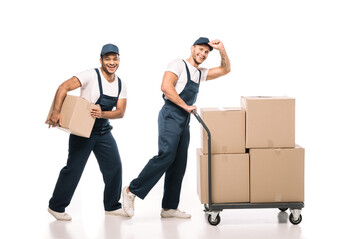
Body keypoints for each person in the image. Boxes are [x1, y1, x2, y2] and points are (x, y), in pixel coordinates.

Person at [122, 37, 231, 219]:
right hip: (171, 114)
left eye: (206, 52)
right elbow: (166, 87)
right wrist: (186, 106)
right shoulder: (178, 64)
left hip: (184, 119)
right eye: (200, 49)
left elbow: (225, 69)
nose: (202, 54)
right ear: (192, 48)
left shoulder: (199, 73)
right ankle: (131, 190)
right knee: (166, 155)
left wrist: (222, 49)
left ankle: (169, 208)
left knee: (179, 162)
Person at [46, 43, 128, 220]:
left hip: (103, 130)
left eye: (115, 59)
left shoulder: (121, 84)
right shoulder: (91, 75)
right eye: (108, 59)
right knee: (74, 169)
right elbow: (63, 87)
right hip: (83, 129)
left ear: (119, 60)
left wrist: (102, 113)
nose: (111, 62)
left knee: (114, 167)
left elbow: (120, 112)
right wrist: (56, 111)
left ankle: (112, 206)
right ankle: (56, 206)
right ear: (101, 60)